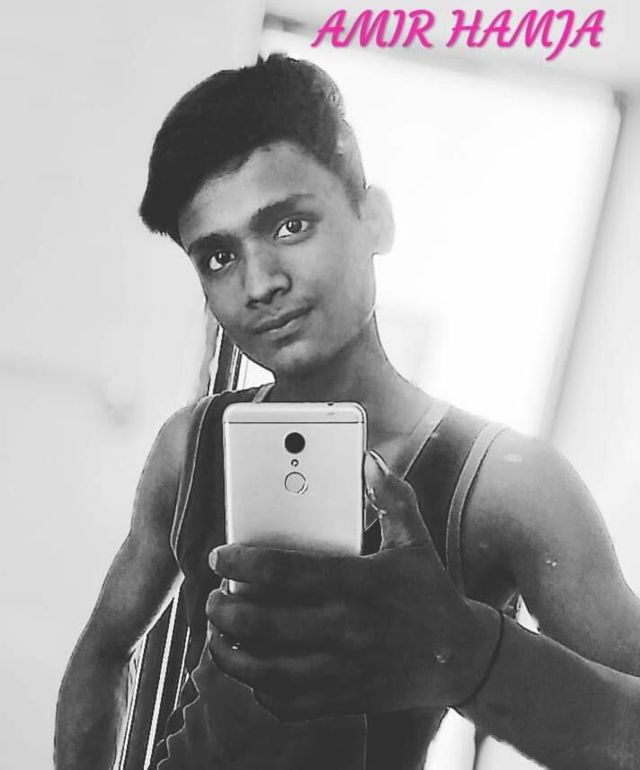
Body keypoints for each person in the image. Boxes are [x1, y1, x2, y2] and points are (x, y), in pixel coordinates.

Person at [54, 54, 640, 770]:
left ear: (375, 219)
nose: (259, 283)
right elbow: (103, 650)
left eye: (291, 225)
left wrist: (467, 653)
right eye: (218, 258)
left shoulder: (508, 484)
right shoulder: (193, 445)